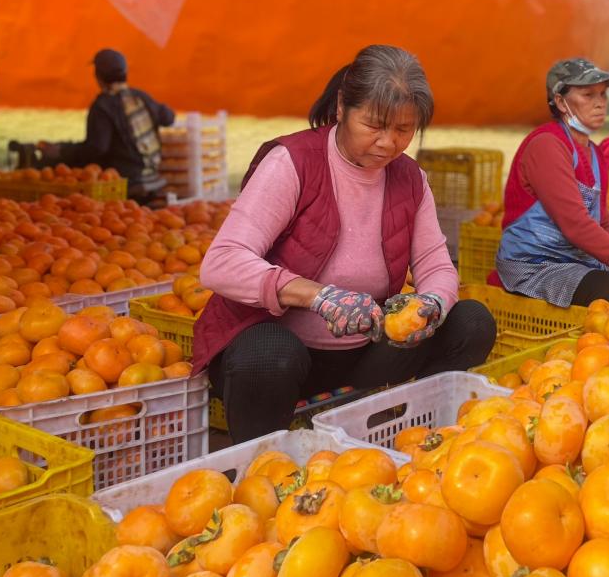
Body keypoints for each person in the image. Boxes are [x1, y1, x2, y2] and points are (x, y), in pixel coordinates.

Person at [193, 45, 497, 443]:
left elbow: (436, 265)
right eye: (374, 125)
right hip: (281, 353)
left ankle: (412, 438)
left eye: (403, 130)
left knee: (471, 322)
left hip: (362, 355)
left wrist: (432, 304)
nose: (388, 143)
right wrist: (318, 297)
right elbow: (221, 262)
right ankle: (261, 464)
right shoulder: (294, 162)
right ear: (341, 107)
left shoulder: (410, 179)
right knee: (268, 353)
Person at [494, 58, 609, 308]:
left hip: (575, 260)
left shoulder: (594, 154)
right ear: (560, 101)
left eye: (603, 95)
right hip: (535, 265)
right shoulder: (547, 145)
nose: (600, 103)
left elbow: (602, 225)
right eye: (588, 94)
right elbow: (576, 225)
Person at [40, 49, 175, 206]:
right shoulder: (139, 96)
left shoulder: (102, 106)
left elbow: (97, 149)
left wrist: (62, 152)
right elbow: (168, 117)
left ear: (98, 77)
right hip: (153, 176)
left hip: (126, 183)